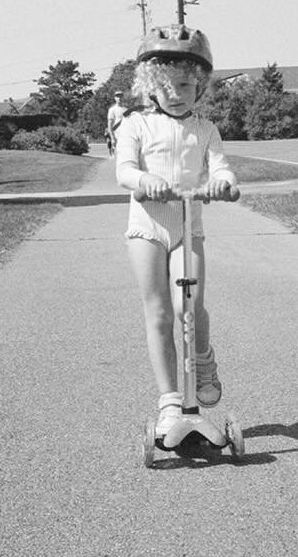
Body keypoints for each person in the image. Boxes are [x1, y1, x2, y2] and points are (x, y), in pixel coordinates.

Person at [114, 25, 240, 446]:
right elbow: (124, 170)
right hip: (148, 228)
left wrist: (223, 183)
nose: (175, 94)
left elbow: (221, 167)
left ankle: (203, 360)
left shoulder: (205, 129)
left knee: (191, 305)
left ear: (199, 85)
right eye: (165, 86)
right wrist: (144, 180)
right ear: (149, 86)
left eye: (184, 85)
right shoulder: (136, 125)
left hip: (188, 228)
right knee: (160, 313)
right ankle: (170, 402)